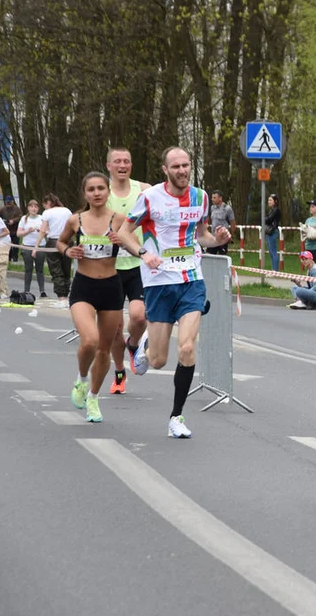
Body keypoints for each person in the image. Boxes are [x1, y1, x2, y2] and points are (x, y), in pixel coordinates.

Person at [117, 146, 233, 439]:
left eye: (186, 165)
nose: (182, 171)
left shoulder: (201, 197)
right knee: (158, 361)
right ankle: (141, 347)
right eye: (176, 166)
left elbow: (202, 235)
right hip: (158, 283)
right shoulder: (150, 198)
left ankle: (176, 417)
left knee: (187, 348)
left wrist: (216, 239)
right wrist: (144, 253)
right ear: (165, 170)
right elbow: (124, 233)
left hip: (192, 280)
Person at [58, 172, 126, 423]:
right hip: (84, 287)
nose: (96, 193)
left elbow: (135, 244)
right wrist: (68, 250)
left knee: (104, 351)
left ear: (108, 192)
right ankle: (82, 380)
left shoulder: (119, 220)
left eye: (100, 188)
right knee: (89, 341)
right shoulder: (75, 220)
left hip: (111, 286)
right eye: (91, 189)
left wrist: (123, 240)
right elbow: (60, 243)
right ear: (84, 193)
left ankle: (94, 399)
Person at [104, 146, 151, 395]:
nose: (122, 165)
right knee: (113, 327)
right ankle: (120, 372)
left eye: (127, 161)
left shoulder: (144, 190)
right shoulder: (102, 191)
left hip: (137, 264)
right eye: (117, 161)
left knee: (139, 316)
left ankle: (133, 345)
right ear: (109, 165)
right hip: (110, 267)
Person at [35, 193, 74, 307]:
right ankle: (66, 296)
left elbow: (43, 230)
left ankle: (61, 298)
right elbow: (71, 225)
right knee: (66, 269)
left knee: (56, 270)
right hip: (67, 241)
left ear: (48, 203)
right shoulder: (67, 211)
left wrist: (37, 245)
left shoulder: (47, 213)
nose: (44, 208)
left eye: (44, 205)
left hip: (53, 242)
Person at [16, 199, 47, 298]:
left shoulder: (42, 218)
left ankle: (42, 291)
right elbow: (18, 234)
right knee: (28, 269)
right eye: (31, 206)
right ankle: (26, 290)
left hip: (40, 246)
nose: (33, 209)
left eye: (36, 207)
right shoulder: (24, 219)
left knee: (40, 269)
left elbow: (48, 232)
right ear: (28, 208)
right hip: (27, 246)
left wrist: (41, 231)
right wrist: (28, 231)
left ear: (38, 208)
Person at [207, 190, 236, 255]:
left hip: (223, 238)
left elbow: (233, 223)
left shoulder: (227, 209)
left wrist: (230, 235)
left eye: (214, 198)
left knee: (222, 257)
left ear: (220, 198)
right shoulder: (212, 208)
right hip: (213, 237)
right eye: (212, 197)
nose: (212, 199)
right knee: (209, 255)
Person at [264, 194, 282, 271]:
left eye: (270, 200)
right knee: (271, 252)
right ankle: (273, 269)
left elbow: (269, 219)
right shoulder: (271, 210)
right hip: (268, 232)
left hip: (272, 232)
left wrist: (264, 218)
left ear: (275, 201)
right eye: (268, 200)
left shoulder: (276, 210)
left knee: (273, 251)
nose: (269, 202)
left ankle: (275, 270)